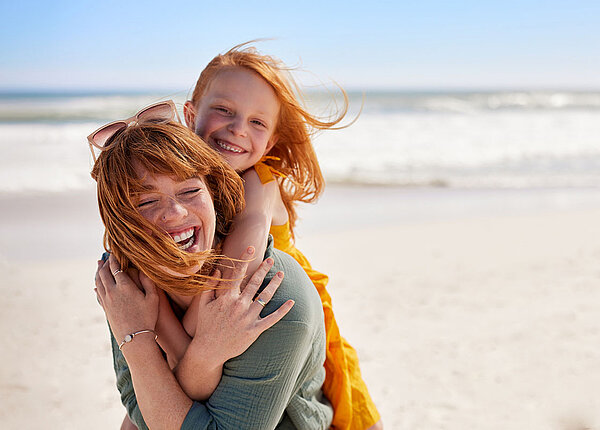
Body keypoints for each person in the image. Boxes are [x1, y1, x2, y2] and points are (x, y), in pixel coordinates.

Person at [89, 104, 333, 429]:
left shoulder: (275, 301)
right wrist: (203, 355)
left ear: (213, 194)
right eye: (147, 201)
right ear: (121, 221)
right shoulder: (124, 287)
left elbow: (150, 420)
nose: (174, 212)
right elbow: (137, 408)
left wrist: (138, 343)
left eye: (190, 191)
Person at [183, 43, 382, 430]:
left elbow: (246, 253)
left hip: (283, 305)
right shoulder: (188, 178)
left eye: (258, 122)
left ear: (270, 143)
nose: (238, 127)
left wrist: (193, 325)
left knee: (348, 400)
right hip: (230, 307)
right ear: (191, 114)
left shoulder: (259, 181)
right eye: (224, 109)